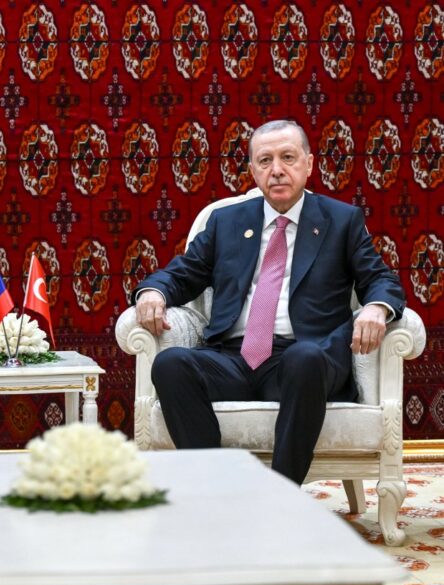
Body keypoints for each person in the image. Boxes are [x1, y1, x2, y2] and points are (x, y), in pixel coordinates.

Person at [133, 119, 405, 485]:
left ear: (308, 164)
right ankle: (216, 488)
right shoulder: (226, 221)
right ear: (252, 170)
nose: (276, 170)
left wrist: (375, 308)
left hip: (304, 362)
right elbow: (182, 274)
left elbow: (382, 279)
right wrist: (154, 292)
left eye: (287, 158)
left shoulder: (341, 221)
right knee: (170, 364)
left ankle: (281, 495)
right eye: (265, 160)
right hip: (233, 359)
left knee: (304, 358)